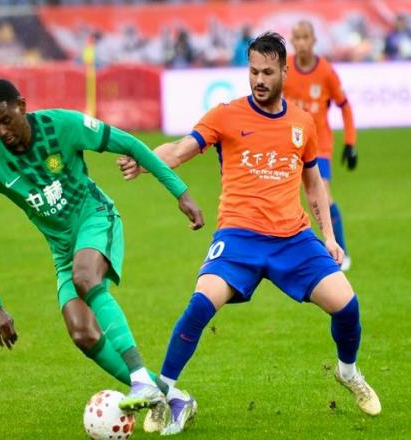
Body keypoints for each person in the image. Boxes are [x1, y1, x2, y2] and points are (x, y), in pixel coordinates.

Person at [118, 32, 381, 435]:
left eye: (267, 73)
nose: (259, 80)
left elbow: (314, 184)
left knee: (347, 306)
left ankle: (348, 372)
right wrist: (144, 159)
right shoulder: (226, 115)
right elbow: (180, 149)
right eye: (253, 71)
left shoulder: (302, 123)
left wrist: (328, 237)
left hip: (293, 239)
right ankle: (162, 394)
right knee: (200, 305)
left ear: (284, 72)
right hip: (238, 237)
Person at [0, 79, 204, 432]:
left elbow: (129, 143)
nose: (1, 131)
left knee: (85, 277)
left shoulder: (63, 125)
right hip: (63, 251)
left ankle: (140, 378)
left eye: (5, 120)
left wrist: (179, 192)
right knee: (82, 333)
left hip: (96, 217)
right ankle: (174, 398)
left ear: (21, 105)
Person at [283, 20, 357, 271]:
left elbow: (345, 106)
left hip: (319, 145)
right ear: (292, 41)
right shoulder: (285, 68)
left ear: (314, 40)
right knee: (285, 197)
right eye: (297, 38)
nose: (302, 43)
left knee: (321, 193)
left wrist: (350, 142)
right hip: (290, 142)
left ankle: (340, 250)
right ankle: (292, 253)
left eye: (306, 37)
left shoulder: (325, 71)